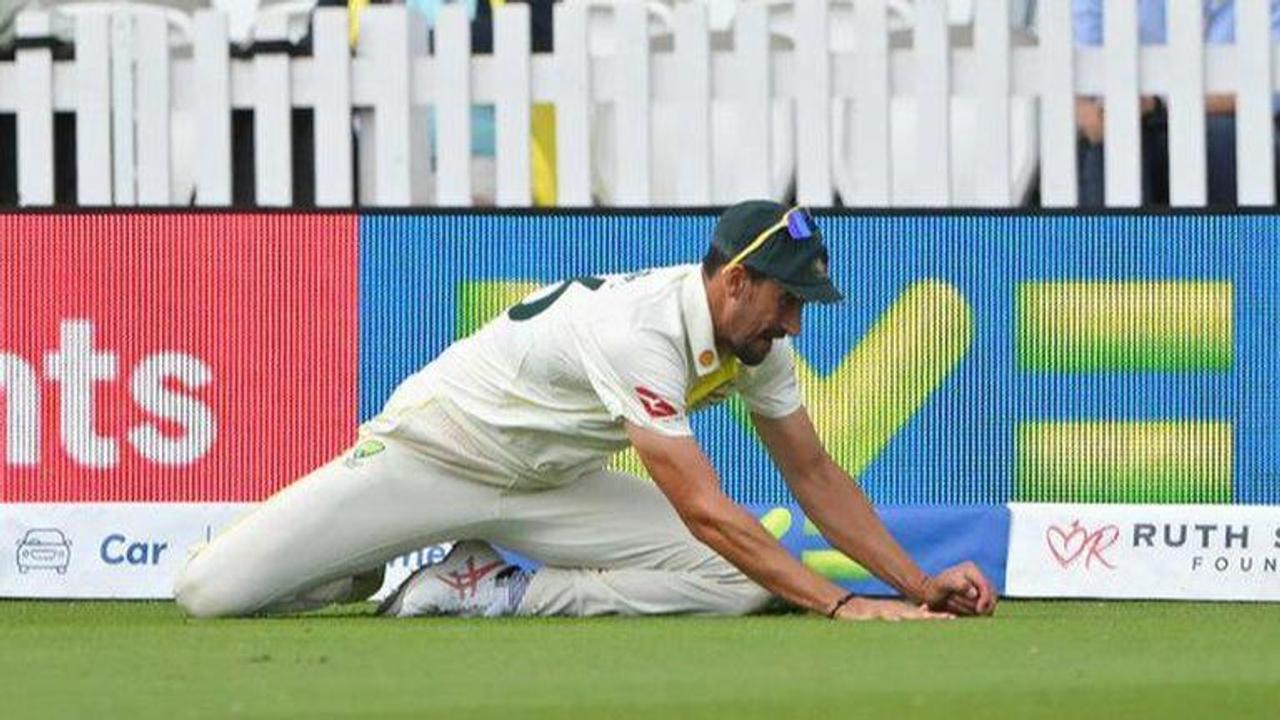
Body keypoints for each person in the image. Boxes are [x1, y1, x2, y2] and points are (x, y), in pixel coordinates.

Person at [173, 200, 998, 621]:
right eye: (788, 300)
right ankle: (355, 563)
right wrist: (846, 606)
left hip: (551, 483)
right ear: (735, 281)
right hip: (436, 454)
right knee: (206, 593)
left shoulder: (756, 344)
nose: (795, 323)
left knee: (741, 584)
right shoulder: (641, 332)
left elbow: (814, 474)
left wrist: (920, 587)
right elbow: (705, 508)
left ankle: (491, 590)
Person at [1073, 0, 1280, 206]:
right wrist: (1090, 114)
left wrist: (1160, 105)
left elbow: (1270, 88)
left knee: (1224, 135)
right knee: (1113, 144)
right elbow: (1078, 71)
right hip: (1134, 118)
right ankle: (1117, 238)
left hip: (1222, 124)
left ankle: (1226, 237)